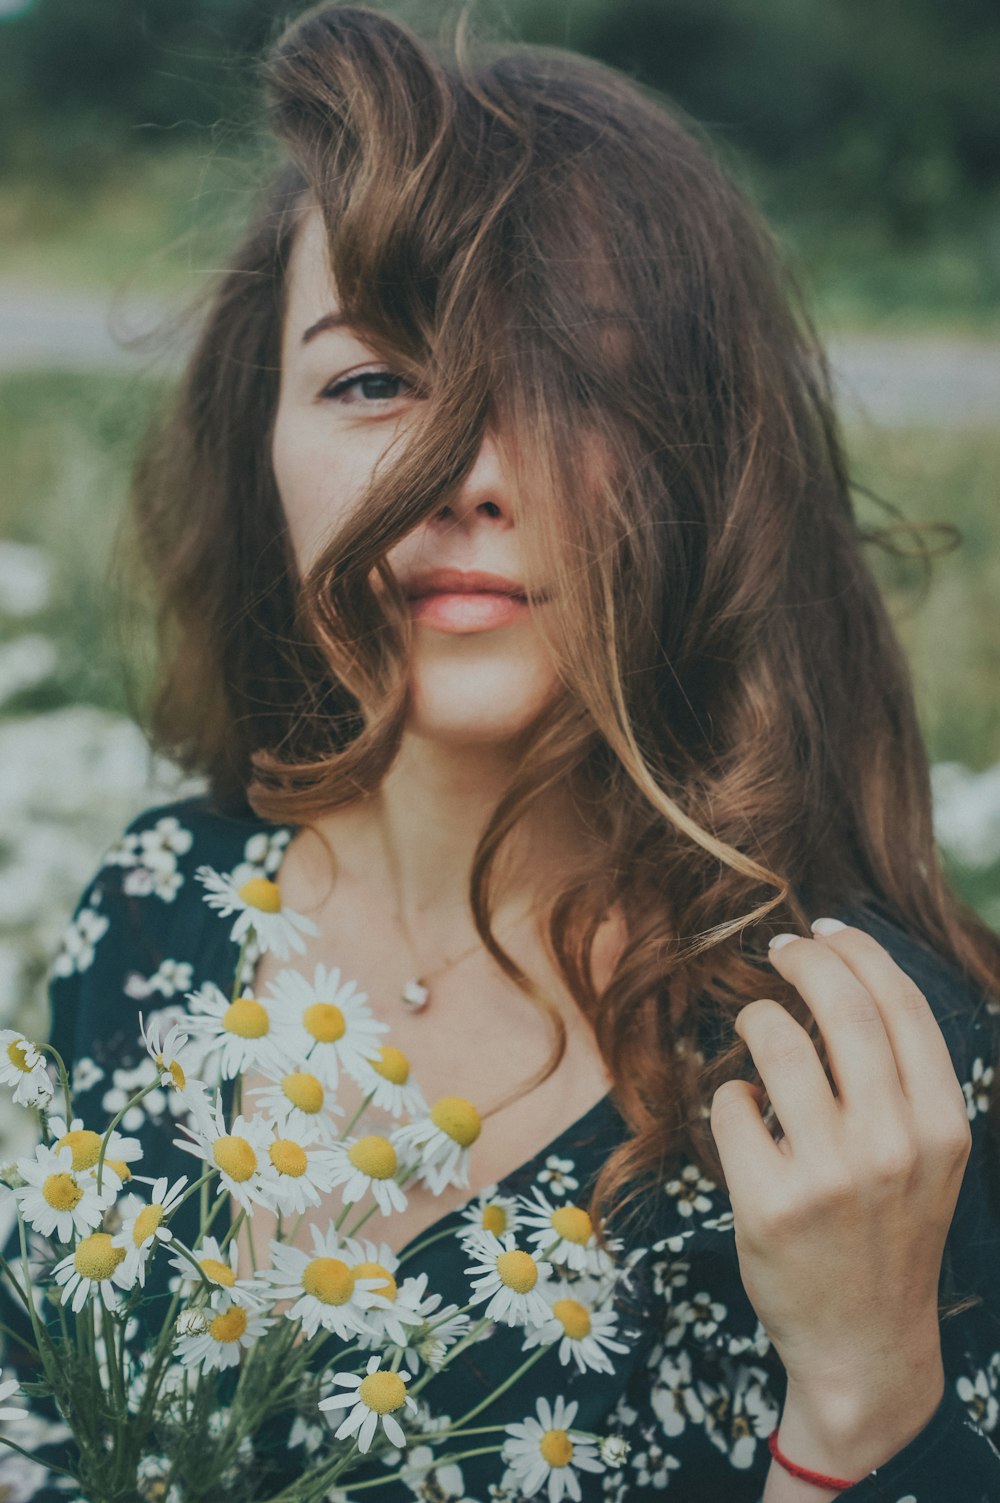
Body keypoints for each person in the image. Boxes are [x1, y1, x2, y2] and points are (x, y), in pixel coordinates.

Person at [4, 4, 1000, 1500]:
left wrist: (869, 1413)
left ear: (708, 466)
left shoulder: (866, 1067)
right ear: (257, 444)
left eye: (575, 384)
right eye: (372, 382)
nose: (463, 473)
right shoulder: (157, 904)